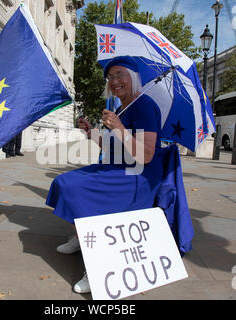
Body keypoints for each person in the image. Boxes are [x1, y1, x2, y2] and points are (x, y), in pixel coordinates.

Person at [46, 56, 165, 294]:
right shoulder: (122, 107)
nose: (114, 80)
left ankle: (100, 266)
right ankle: (84, 235)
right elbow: (112, 147)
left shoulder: (145, 106)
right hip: (118, 167)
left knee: (74, 188)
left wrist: (119, 128)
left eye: (120, 74)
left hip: (138, 177)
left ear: (133, 77)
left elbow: (148, 154)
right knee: (63, 182)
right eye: (110, 77)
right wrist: (91, 132)